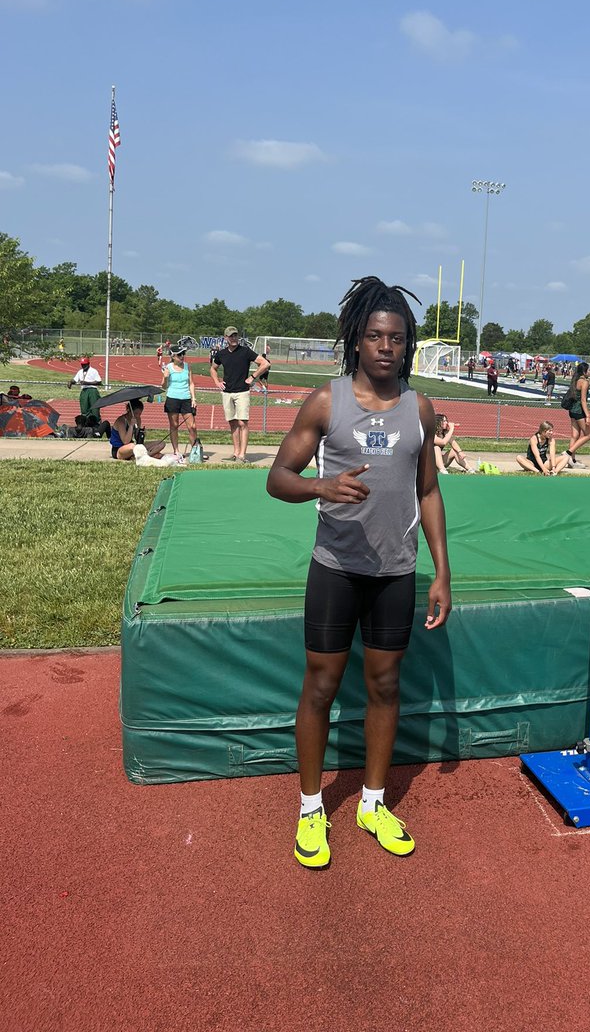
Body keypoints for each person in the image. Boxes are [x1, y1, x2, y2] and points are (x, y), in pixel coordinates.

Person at [267, 276, 451, 870]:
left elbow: (428, 491)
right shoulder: (327, 402)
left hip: (396, 572)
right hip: (337, 570)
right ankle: (311, 807)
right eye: (374, 335)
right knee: (321, 686)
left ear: (407, 345)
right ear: (356, 339)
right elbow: (278, 478)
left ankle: (373, 803)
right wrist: (320, 486)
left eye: (396, 338)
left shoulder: (419, 409)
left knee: (385, 685)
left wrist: (442, 572)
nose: (385, 346)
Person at [209, 327, 270, 463]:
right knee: (232, 423)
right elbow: (213, 368)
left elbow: (265, 364)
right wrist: (217, 382)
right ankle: (236, 453)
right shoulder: (221, 354)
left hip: (242, 391)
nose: (233, 338)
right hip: (227, 392)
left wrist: (252, 377)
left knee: (242, 422)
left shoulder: (245, 351)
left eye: (235, 335)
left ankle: (242, 455)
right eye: (231, 336)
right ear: (226, 338)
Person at [161, 346, 198, 459]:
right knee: (174, 425)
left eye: (183, 354)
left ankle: (195, 451)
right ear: (173, 356)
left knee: (192, 426)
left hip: (186, 398)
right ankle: (176, 451)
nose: (182, 356)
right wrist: (165, 377)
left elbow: (191, 383)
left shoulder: (187, 366)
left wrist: (193, 398)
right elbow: (163, 386)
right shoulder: (168, 367)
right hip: (172, 398)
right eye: (179, 354)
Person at [563, 361, 590, 468]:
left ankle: (572, 461)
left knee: (575, 436)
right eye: (589, 370)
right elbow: (583, 400)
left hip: (572, 410)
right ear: (584, 372)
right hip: (579, 411)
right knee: (588, 435)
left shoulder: (576, 380)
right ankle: (568, 453)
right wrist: (587, 415)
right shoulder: (584, 382)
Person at [67, 356, 103, 422]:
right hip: (84, 391)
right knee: (84, 408)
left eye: (85, 364)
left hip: (92, 390)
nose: (83, 366)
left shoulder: (93, 371)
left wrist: (87, 383)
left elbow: (99, 382)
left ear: (88, 364)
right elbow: (75, 380)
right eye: (82, 364)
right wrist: (70, 382)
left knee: (94, 409)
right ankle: (85, 423)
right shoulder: (80, 372)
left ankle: (96, 423)